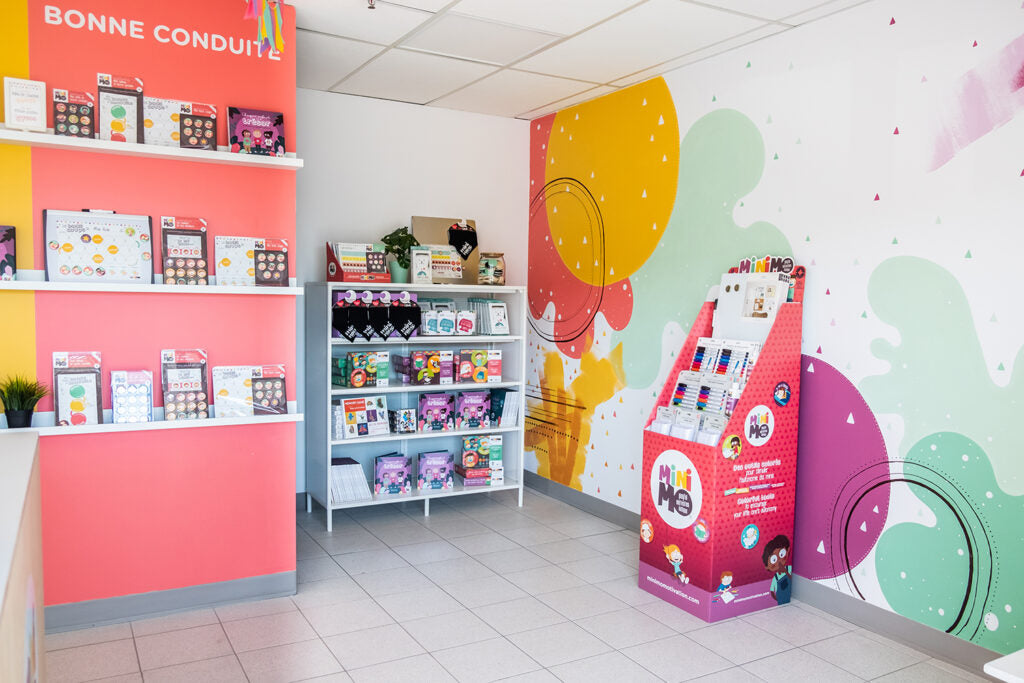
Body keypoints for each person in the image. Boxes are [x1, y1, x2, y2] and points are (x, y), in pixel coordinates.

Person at [762, 535, 793, 604]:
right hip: (780, 598)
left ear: (788, 550)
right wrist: (777, 599)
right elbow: (772, 590)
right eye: (774, 560)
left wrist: (785, 571)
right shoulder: (775, 578)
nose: (779, 561)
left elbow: (791, 578)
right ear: (767, 567)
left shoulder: (789, 568)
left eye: (781, 554)